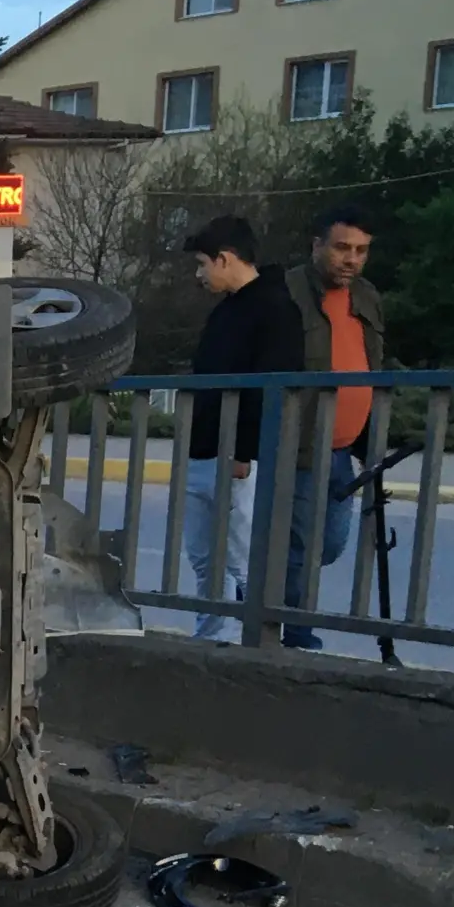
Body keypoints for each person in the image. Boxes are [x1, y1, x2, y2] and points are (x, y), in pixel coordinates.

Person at [181, 215, 305, 642]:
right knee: (203, 556)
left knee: (240, 556)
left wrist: (245, 453)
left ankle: (259, 638)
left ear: (224, 258)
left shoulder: (274, 309)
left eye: (202, 264)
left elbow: (271, 388)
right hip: (205, 449)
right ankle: (212, 633)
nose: (199, 275)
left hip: (236, 457)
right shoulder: (230, 310)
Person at [280, 206, 385, 647]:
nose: (352, 259)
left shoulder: (368, 297)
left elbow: (372, 365)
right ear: (317, 245)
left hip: (346, 448)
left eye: (361, 251)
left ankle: (257, 592)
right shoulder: (287, 291)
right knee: (301, 549)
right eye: (342, 247)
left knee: (330, 546)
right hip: (300, 446)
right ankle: (297, 635)